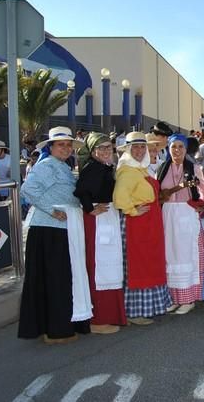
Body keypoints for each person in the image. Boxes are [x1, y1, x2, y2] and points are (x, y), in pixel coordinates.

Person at [18, 126, 91, 343]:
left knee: (56, 278)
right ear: (51, 147)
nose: (66, 148)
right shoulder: (47, 165)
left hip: (58, 230)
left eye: (69, 145)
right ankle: (56, 330)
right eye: (61, 145)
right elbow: (27, 190)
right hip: (49, 231)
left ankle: (56, 326)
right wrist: (52, 210)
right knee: (55, 279)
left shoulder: (62, 166)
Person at [113, 132, 171, 325]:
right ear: (128, 150)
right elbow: (120, 197)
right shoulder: (128, 170)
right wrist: (132, 210)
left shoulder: (140, 169)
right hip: (137, 223)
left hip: (148, 222)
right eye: (135, 147)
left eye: (141, 147)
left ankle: (146, 307)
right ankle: (134, 311)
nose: (139, 151)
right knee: (138, 264)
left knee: (148, 262)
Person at [74, 132, 126, 334]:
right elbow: (81, 190)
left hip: (106, 217)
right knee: (99, 269)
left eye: (108, 147)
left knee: (109, 268)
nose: (105, 151)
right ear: (92, 151)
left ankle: (109, 315)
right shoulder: (93, 168)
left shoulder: (104, 167)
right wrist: (90, 208)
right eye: (101, 148)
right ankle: (97, 319)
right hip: (98, 221)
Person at [157, 134, 204, 315]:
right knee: (171, 254)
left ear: (186, 149)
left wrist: (201, 204)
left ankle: (188, 298)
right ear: (168, 149)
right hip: (168, 215)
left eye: (180, 147)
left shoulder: (194, 168)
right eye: (173, 147)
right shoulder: (162, 168)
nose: (177, 150)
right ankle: (173, 297)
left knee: (187, 254)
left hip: (187, 213)